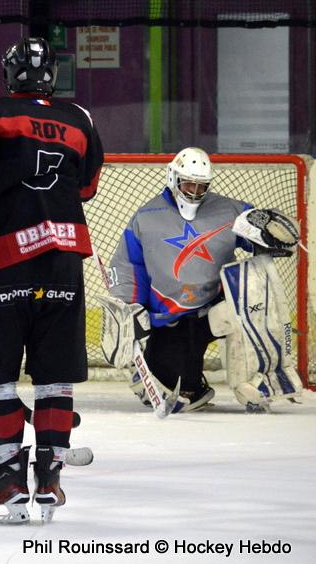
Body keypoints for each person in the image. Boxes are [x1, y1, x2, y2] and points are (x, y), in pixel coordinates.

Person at [0, 37, 104, 523]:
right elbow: (87, 187)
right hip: (63, 260)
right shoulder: (81, 119)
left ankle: (8, 480)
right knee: (54, 373)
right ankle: (49, 478)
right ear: (54, 74)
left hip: (2, 261)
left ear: (8, 74)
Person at [104, 146, 303, 413]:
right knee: (183, 394)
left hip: (216, 309)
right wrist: (130, 308)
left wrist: (271, 235)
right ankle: (183, 378)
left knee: (253, 289)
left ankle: (256, 380)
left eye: (201, 187)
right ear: (174, 179)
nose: (195, 193)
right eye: (189, 185)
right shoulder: (146, 217)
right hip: (169, 320)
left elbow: (257, 239)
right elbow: (130, 266)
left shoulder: (230, 210)